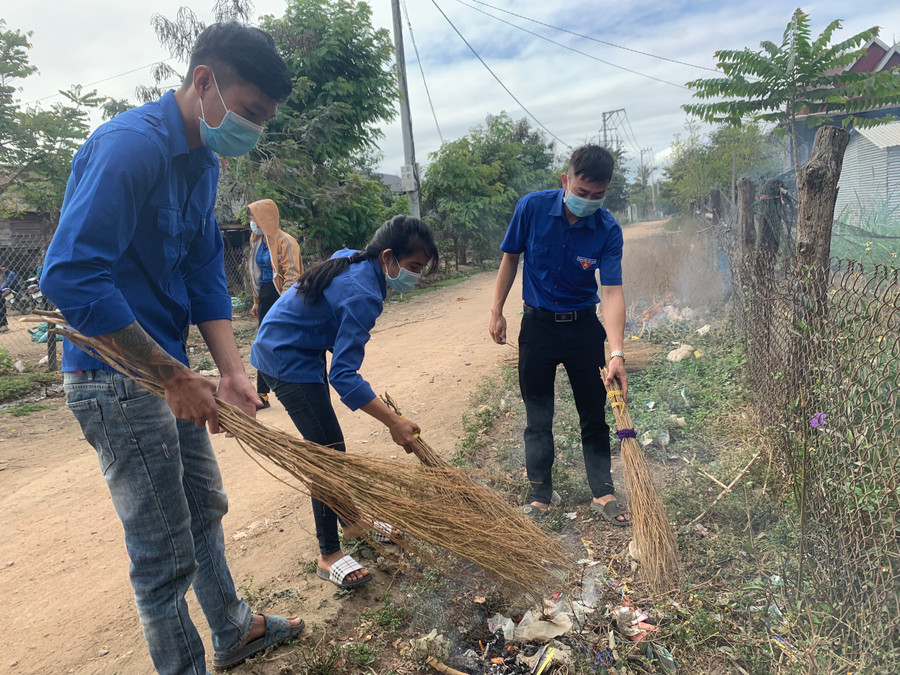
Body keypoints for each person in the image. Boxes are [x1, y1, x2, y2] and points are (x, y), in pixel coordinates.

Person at [40, 22, 304, 674]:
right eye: (248, 113)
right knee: (162, 552)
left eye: (263, 121)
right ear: (203, 81)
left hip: (173, 374)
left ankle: (234, 628)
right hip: (116, 379)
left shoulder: (202, 161)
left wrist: (233, 371)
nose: (252, 131)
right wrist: (168, 373)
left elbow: (201, 271)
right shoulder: (130, 148)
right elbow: (70, 277)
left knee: (204, 508)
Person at [250, 215, 438, 589]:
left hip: (299, 348)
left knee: (330, 447)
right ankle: (328, 554)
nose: (415, 276)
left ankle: (354, 523)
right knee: (327, 456)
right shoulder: (363, 292)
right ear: (388, 257)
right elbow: (344, 376)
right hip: (285, 358)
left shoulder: (358, 260)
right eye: (413, 267)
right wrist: (393, 423)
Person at [488, 144, 631, 526]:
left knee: (593, 413)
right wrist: (497, 309)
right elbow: (510, 258)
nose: (588, 201)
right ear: (565, 181)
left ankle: (603, 491)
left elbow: (612, 291)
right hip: (537, 328)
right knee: (538, 415)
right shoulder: (531, 208)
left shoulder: (607, 230)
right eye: (582, 193)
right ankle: (539, 495)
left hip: (584, 329)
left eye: (598, 195)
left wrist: (615, 353)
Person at [246, 198, 303, 409]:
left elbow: (292, 275)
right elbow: (256, 274)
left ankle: (269, 393)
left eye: (253, 217)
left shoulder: (285, 241)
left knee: (274, 343)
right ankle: (262, 394)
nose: (251, 221)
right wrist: (256, 301)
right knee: (265, 343)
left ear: (264, 218)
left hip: (281, 298)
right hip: (266, 297)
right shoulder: (257, 241)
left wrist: (285, 304)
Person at [0, 265, 19, 333]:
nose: (2, 269)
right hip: (6, 288)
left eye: (3, 267)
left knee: (1, 303)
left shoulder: (11, 274)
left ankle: (3, 325)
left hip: (15, 287)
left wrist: (1, 289)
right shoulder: (4, 274)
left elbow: (7, 282)